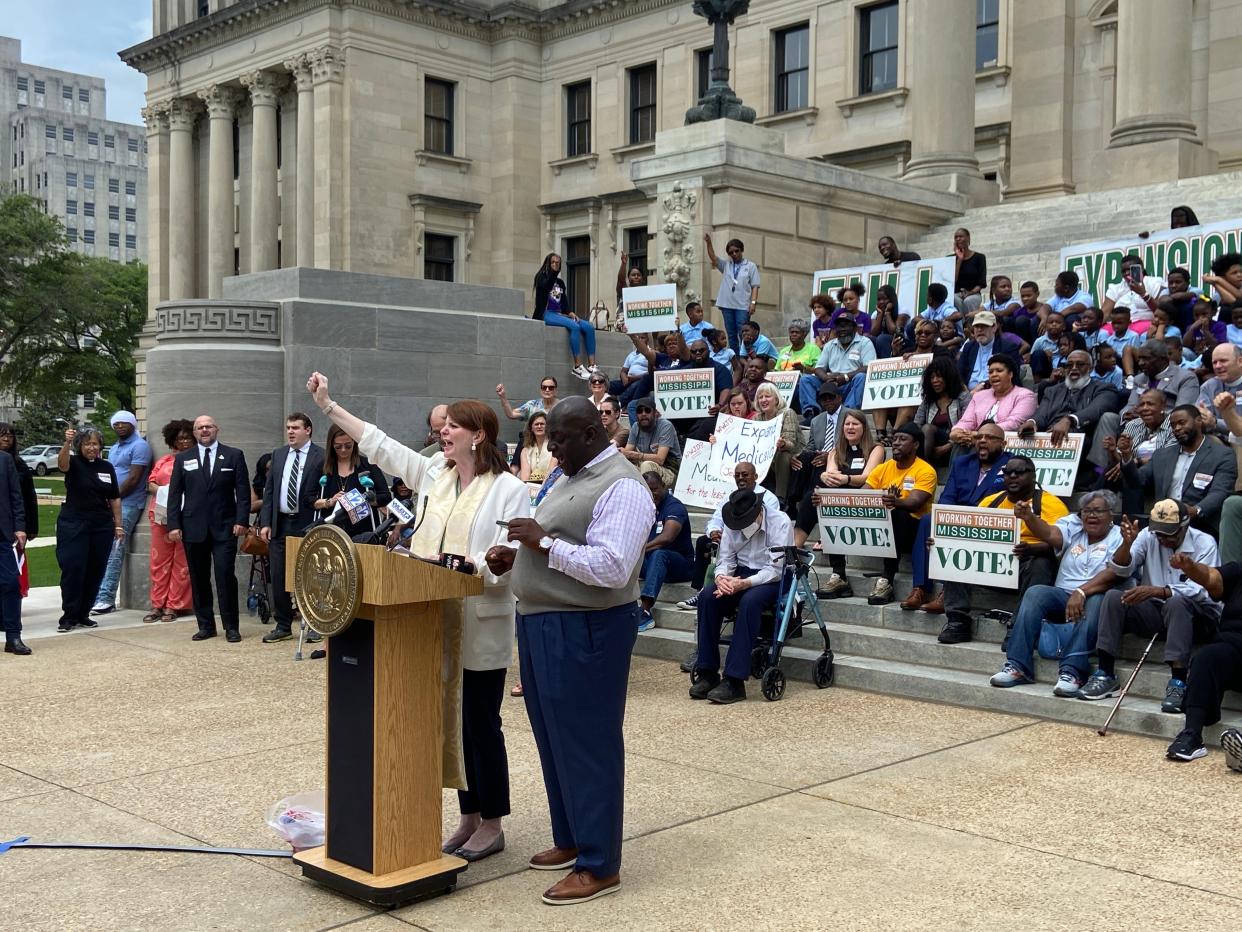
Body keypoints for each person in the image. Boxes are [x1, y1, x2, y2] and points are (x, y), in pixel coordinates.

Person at [309, 372, 532, 866]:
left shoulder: (510, 490)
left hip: (478, 623)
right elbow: (379, 444)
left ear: (478, 434)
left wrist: (473, 566)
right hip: (429, 622)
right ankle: (468, 817)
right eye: (442, 426)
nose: (443, 432)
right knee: (445, 723)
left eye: (452, 426)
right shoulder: (436, 475)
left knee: (479, 723)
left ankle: (492, 822)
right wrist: (328, 406)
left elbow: (513, 558)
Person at [484, 396, 652, 905]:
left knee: (588, 742)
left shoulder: (623, 485)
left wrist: (541, 546)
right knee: (553, 738)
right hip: (541, 621)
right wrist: (515, 559)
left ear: (589, 434)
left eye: (558, 439)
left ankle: (600, 864)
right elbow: (556, 542)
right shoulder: (569, 476)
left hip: (588, 628)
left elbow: (612, 567)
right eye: (547, 439)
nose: (550, 450)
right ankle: (572, 837)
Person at [1079, 501, 1221, 715]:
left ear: (1184, 526)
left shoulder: (1205, 542)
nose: (1162, 539)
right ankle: (1105, 673)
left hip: (1200, 616)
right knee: (1114, 597)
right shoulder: (1148, 535)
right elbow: (1121, 569)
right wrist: (1127, 544)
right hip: (1157, 612)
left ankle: (1178, 682)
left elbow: (1203, 591)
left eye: (1169, 534)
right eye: (1159, 534)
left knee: (1177, 601)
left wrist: (1160, 591)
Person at [988, 490, 1124, 696]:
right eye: (1086, 511)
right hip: (1064, 595)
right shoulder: (1074, 525)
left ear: (1111, 514)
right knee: (1036, 593)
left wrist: (1081, 591)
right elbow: (1050, 534)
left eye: (1098, 511)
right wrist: (1029, 517)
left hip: (1098, 596)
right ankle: (1017, 666)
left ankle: (1073, 671)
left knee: (1097, 599)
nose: (1091, 516)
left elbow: (1113, 574)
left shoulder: (1120, 536)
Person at [936, 455, 1069, 644]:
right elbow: (968, 537)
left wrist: (1031, 549)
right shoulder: (990, 501)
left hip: (1025, 564)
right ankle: (958, 621)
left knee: (1042, 563)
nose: (1012, 476)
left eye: (1019, 472)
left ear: (1033, 476)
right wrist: (940, 544)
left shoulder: (1051, 505)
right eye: (1008, 473)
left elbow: (1062, 546)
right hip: (991, 565)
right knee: (953, 552)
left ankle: (1018, 628)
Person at [690, 487, 792, 704]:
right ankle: (707, 671)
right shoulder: (731, 521)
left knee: (750, 601)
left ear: (758, 513)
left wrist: (744, 584)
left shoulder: (780, 522)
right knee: (708, 596)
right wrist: (722, 578)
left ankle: (734, 680)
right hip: (740, 573)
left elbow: (775, 570)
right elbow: (725, 559)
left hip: (773, 577)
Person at [901, 421, 1010, 615]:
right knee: (928, 520)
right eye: (979, 437)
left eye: (990, 438)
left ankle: (947, 592)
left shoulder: (1012, 464)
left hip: (988, 523)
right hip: (957, 518)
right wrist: (951, 520)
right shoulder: (963, 462)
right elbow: (948, 497)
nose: (983, 441)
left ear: (1003, 443)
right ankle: (920, 588)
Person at [167, 415, 251, 643]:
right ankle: (205, 625)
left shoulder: (234, 455)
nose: (204, 430)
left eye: (208, 426)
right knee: (198, 578)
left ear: (216, 429)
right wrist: (173, 524)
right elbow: (174, 494)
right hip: (193, 528)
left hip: (225, 527)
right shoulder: (184, 458)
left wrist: (241, 520)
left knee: (224, 575)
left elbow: (243, 492)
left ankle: (231, 626)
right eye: (200, 427)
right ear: (194, 432)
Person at [1113, 403, 1236, 534]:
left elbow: (1220, 492)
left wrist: (1196, 510)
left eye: (1182, 423)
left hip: (1201, 525)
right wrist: (1127, 456)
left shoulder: (1222, 455)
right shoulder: (1162, 454)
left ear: (1199, 421)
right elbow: (1137, 481)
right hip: (1163, 523)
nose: (1177, 428)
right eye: (1173, 425)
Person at [1165, 555, 1242, 764]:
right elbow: (1211, 577)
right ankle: (1191, 736)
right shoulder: (1239, 569)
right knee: (1206, 658)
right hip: (1234, 647)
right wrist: (1191, 568)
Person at [678, 460, 781, 614]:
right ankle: (702, 590)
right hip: (730, 536)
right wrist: (714, 532)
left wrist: (730, 531)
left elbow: (764, 524)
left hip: (754, 541)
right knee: (703, 542)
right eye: (737, 475)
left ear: (755, 476)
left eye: (745, 475)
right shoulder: (730, 497)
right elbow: (716, 519)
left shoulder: (769, 498)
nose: (741, 478)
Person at [256, 413, 325, 644]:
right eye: (288, 428)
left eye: (295, 428)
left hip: (307, 522)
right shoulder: (278, 455)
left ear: (308, 430)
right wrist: (266, 522)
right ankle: (283, 624)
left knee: (311, 575)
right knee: (278, 575)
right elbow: (269, 492)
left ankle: (315, 624)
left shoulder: (321, 456)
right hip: (281, 522)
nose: (290, 432)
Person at [804, 408, 885, 600]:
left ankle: (840, 573)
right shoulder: (835, 451)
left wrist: (845, 479)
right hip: (840, 499)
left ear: (864, 428)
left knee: (830, 497)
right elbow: (831, 475)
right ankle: (836, 573)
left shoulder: (877, 449)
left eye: (855, 424)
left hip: (866, 499)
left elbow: (867, 477)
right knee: (813, 497)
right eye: (847, 424)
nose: (850, 427)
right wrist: (826, 475)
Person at [55, 426, 124, 633]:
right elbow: (62, 464)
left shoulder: (106, 466)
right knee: (73, 568)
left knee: (95, 569)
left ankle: (84, 613)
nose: (91, 447)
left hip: (101, 524)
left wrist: (118, 524)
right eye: (87, 444)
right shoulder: (74, 462)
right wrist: (67, 443)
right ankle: (69, 615)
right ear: (80, 446)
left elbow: (114, 497)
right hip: (74, 523)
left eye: (95, 443)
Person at [1019, 349, 1120, 485]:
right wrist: (1032, 422)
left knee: (1110, 417)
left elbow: (1096, 410)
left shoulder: (1105, 388)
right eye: (1069, 365)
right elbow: (1042, 413)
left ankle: (1097, 475)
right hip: (1050, 440)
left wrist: (1069, 419)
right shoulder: (1052, 390)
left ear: (1090, 368)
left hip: (1084, 441)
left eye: (1080, 365)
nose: (1073, 369)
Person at [865, 424, 937, 605]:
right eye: (895, 439)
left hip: (914, 531)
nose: (896, 443)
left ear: (916, 445)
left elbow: (914, 504)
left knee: (897, 514)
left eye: (902, 439)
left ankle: (886, 580)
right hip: (884, 526)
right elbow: (863, 493)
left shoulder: (926, 470)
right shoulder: (884, 467)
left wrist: (894, 502)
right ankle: (838, 574)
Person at [90, 410, 153, 615]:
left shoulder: (140, 446)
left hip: (129, 504)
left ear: (133, 424)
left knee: (116, 549)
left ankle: (106, 598)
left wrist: (113, 498)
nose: (120, 426)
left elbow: (135, 479)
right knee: (102, 549)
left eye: (124, 423)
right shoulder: (115, 447)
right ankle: (97, 594)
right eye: (116, 424)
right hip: (110, 503)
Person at [144, 419, 194, 624]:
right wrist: (167, 492)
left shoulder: (195, 461)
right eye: (179, 438)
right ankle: (157, 603)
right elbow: (151, 482)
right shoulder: (164, 461)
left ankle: (174, 605)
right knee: (159, 561)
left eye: (187, 437)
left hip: (187, 516)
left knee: (182, 563)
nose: (183, 441)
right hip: (161, 515)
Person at [637, 471, 694, 630]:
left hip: (680, 565)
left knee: (659, 554)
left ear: (663, 486)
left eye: (654, 489)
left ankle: (646, 611)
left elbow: (667, 537)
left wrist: (638, 551)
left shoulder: (674, 506)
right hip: (651, 564)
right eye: (648, 491)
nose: (652, 494)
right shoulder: (644, 506)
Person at [315, 423, 390, 537]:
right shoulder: (322, 467)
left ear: (355, 443)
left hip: (363, 532)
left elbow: (386, 496)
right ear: (331, 446)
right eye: (338, 447)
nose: (343, 450)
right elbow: (308, 499)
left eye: (348, 446)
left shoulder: (368, 465)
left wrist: (364, 499)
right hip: (331, 532)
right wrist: (329, 502)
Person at [533, 252, 596, 379]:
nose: (555, 265)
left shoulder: (560, 283)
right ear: (547, 264)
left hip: (559, 314)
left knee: (588, 327)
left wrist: (570, 312)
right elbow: (546, 286)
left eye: (558, 263)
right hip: (545, 313)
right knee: (574, 327)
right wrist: (553, 272)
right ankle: (578, 366)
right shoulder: (541, 277)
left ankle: (592, 365)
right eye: (553, 262)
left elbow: (564, 302)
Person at [950, 355, 1038, 440]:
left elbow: (1013, 423)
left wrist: (980, 434)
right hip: (974, 439)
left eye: (999, 371)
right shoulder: (979, 396)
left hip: (1004, 443)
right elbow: (967, 421)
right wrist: (957, 431)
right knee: (959, 440)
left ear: (1010, 374)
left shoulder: (1025, 395)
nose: (994, 374)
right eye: (990, 372)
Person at [802, 314, 876, 412]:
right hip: (831, 384)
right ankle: (811, 411)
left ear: (854, 328)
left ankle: (848, 412)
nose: (842, 329)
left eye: (845, 325)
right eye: (839, 326)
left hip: (851, 384)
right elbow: (819, 368)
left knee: (861, 377)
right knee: (806, 379)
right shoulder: (830, 345)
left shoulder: (865, 343)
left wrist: (845, 377)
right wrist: (827, 378)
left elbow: (868, 367)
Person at [705, 233, 760, 353]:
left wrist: (753, 303)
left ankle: (746, 357)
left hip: (742, 305)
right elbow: (713, 257)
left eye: (737, 251)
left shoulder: (750, 266)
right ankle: (736, 360)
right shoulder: (726, 265)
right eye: (731, 252)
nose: (734, 254)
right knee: (731, 335)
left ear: (742, 250)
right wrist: (709, 243)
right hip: (727, 305)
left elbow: (755, 286)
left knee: (744, 333)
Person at [912, 357, 972, 464]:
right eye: (932, 377)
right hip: (929, 446)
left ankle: (923, 468)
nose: (935, 381)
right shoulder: (928, 400)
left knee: (927, 428)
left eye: (939, 376)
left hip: (956, 446)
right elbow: (916, 425)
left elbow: (968, 427)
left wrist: (947, 446)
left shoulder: (963, 397)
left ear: (949, 377)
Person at [752, 382, 803, 502]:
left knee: (783, 454)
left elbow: (791, 444)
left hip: (792, 455)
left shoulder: (787, 413)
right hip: (766, 457)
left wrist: (783, 443)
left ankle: (781, 498)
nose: (763, 400)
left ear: (776, 399)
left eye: (767, 396)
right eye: (760, 397)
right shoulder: (757, 418)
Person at [0, 444, 28, 655]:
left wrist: (19, 527)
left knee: (10, 583)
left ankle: (13, 637)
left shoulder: (5, 460)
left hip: (2, 534)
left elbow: (16, 496)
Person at [958, 310, 1027, 392]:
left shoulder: (1008, 347)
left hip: (996, 392)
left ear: (994, 327)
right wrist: (964, 390)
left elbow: (1010, 377)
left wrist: (983, 386)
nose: (979, 330)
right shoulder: (969, 347)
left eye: (984, 326)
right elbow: (959, 373)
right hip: (969, 394)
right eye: (976, 326)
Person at [1101, 254, 1165, 335]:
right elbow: (1104, 313)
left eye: (1130, 269)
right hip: (1118, 325)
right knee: (1103, 333)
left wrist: (1143, 294)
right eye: (1123, 271)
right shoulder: (1115, 288)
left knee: (1131, 333)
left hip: (1145, 323)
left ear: (1140, 269)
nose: (1126, 273)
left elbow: (1160, 312)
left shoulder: (1154, 282)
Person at [623, 397, 680, 487]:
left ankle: (645, 499)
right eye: (640, 411)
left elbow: (660, 459)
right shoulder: (635, 426)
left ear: (655, 413)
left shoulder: (666, 426)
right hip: (645, 466)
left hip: (669, 469)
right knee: (624, 466)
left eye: (647, 410)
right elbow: (627, 453)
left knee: (647, 465)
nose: (643, 414)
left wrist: (634, 454)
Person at [0, 423, 37, 545]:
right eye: (2, 435)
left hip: (15, 520)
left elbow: (29, 495)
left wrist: (32, 527)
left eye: (10, 436)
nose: (6, 439)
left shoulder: (19, 464)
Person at [952, 228, 987, 313]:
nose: (958, 239)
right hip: (956, 293)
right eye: (956, 237)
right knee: (954, 299)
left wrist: (970, 292)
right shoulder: (951, 258)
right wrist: (959, 260)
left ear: (968, 238)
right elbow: (952, 281)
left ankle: (969, 324)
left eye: (961, 236)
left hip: (974, 293)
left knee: (969, 301)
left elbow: (981, 282)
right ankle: (961, 325)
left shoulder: (979, 257)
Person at [518, 411, 557, 484]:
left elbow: (550, 474)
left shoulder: (554, 447)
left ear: (547, 427)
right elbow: (525, 478)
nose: (539, 426)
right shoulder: (525, 451)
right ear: (531, 428)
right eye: (536, 424)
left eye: (542, 424)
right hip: (531, 488)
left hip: (550, 486)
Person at [870, 284, 906, 358]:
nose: (881, 302)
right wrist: (880, 315)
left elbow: (895, 332)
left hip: (902, 342)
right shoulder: (876, 313)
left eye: (885, 299)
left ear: (892, 299)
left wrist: (887, 313)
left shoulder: (902, 311)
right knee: (869, 339)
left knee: (882, 338)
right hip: (884, 341)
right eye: (879, 299)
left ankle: (885, 366)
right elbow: (873, 333)